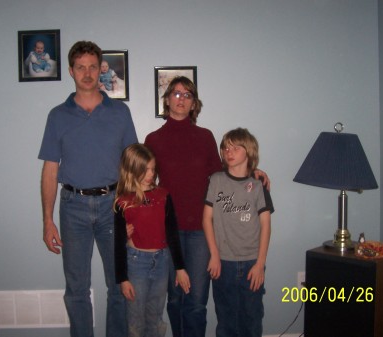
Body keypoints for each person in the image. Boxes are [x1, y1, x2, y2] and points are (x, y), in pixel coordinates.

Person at [144, 76, 271, 337]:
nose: (181, 98)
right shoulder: (153, 139)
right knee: (176, 299)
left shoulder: (205, 137)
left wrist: (253, 172)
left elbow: (221, 173)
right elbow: (145, 180)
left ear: (193, 104)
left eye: (187, 95)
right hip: (168, 232)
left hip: (202, 231)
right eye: (176, 93)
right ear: (167, 100)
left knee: (197, 302)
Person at [38, 40, 137, 337]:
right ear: (71, 71)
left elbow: (133, 164)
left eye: (93, 66)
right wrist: (47, 220)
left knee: (120, 283)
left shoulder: (120, 112)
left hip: (113, 206)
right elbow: (50, 169)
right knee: (77, 289)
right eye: (81, 67)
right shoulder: (57, 116)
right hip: (73, 207)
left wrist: (132, 211)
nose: (88, 72)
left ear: (100, 69)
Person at [202, 128, 274, 337]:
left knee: (251, 318)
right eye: (225, 148)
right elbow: (207, 219)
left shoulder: (259, 185)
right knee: (226, 319)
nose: (228, 152)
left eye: (235, 147)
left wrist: (260, 264)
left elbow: (266, 225)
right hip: (223, 263)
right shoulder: (215, 180)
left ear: (249, 151)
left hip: (252, 262)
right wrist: (214, 255)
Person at [114, 144, 191, 337]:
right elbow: (118, 244)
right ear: (132, 170)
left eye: (152, 169)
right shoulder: (122, 202)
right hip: (136, 263)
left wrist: (180, 268)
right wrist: (122, 279)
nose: (151, 174)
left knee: (155, 317)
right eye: (145, 169)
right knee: (136, 320)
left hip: (162, 261)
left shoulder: (163, 196)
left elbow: (172, 233)